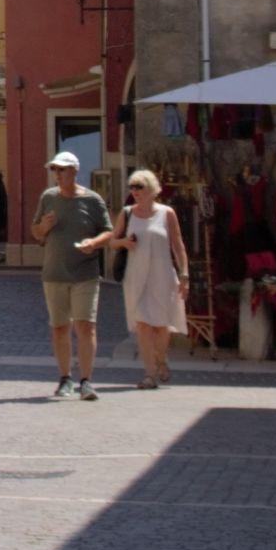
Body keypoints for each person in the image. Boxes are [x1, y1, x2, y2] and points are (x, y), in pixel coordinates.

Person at [80, 169, 189, 389]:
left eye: (140, 187)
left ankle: (161, 359)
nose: (135, 191)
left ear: (152, 189)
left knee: (161, 326)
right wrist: (124, 243)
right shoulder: (127, 213)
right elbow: (112, 241)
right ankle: (149, 374)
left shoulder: (167, 213)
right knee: (143, 325)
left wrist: (185, 273)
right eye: (132, 187)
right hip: (136, 277)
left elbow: (177, 245)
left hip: (162, 275)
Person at [31, 150, 112, 400]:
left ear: (75, 171)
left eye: (62, 169)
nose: (58, 174)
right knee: (59, 327)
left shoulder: (93, 200)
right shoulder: (48, 197)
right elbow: (36, 233)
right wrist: (44, 226)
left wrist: (94, 243)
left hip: (85, 273)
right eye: (55, 170)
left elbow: (108, 232)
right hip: (54, 273)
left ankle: (86, 381)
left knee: (86, 326)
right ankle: (65, 378)